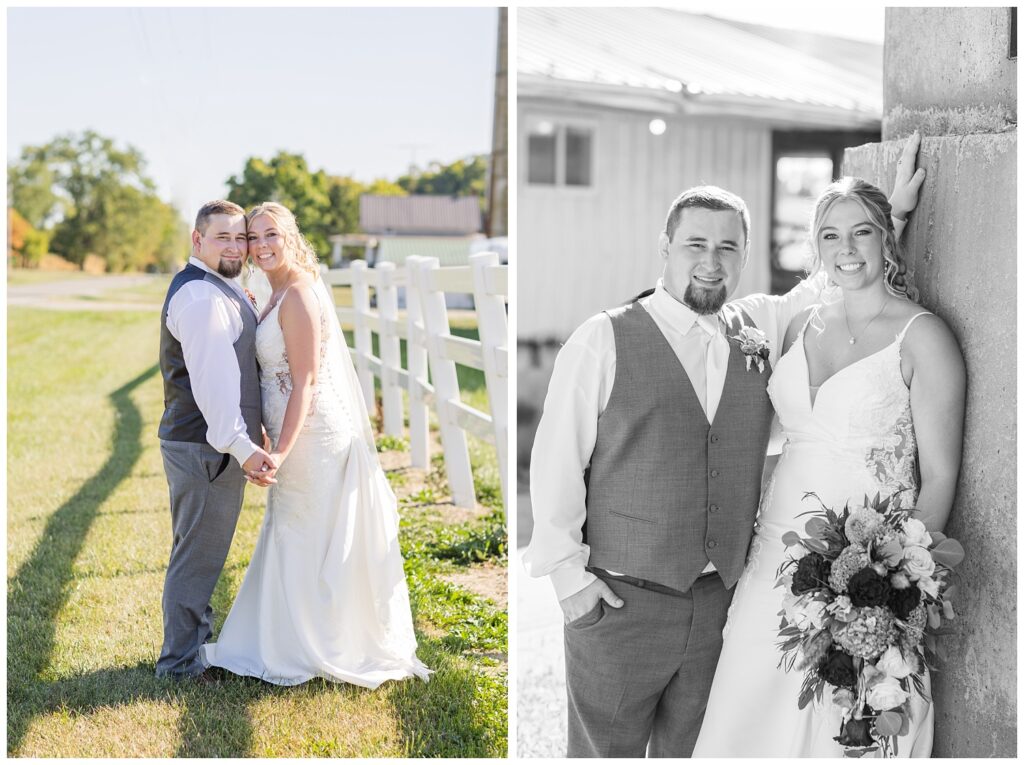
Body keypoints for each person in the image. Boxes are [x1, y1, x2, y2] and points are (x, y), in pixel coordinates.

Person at [523, 134, 926, 757]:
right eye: (695, 245)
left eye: (727, 247)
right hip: (623, 602)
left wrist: (889, 218)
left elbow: (836, 278)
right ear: (666, 249)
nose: (711, 261)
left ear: (742, 257)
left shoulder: (760, 326)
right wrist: (569, 581)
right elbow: (555, 460)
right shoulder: (602, 339)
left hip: (719, 606)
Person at [692, 175, 965, 757]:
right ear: (816, 248)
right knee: (748, 704)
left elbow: (940, 475)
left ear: (886, 239)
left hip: (869, 569)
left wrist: (898, 582)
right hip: (775, 553)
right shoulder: (799, 324)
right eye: (831, 235)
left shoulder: (924, 338)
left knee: (851, 711)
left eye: (863, 232)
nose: (847, 248)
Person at [200, 202, 430, 687]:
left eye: (269, 236)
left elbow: (305, 383)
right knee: (294, 528)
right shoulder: (273, 290)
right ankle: (287, 635)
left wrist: (280, 449)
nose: (259, 246)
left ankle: (322, 642)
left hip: (311, 434)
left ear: (290, 238)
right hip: (286, 429)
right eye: (250, 238)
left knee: (313, 531)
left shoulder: (300, 295)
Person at [156, 200, 277, 679]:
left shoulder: (220, 289)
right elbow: (213, 387)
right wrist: (244, 449)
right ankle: (180, 664)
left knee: (201, 551)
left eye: (240, 237)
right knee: (197, 557)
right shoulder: (202, 298)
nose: (235, 246)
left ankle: (196, 647)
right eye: (222, 237)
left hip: (209, 445)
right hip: (208, 447)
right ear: (197, 240)